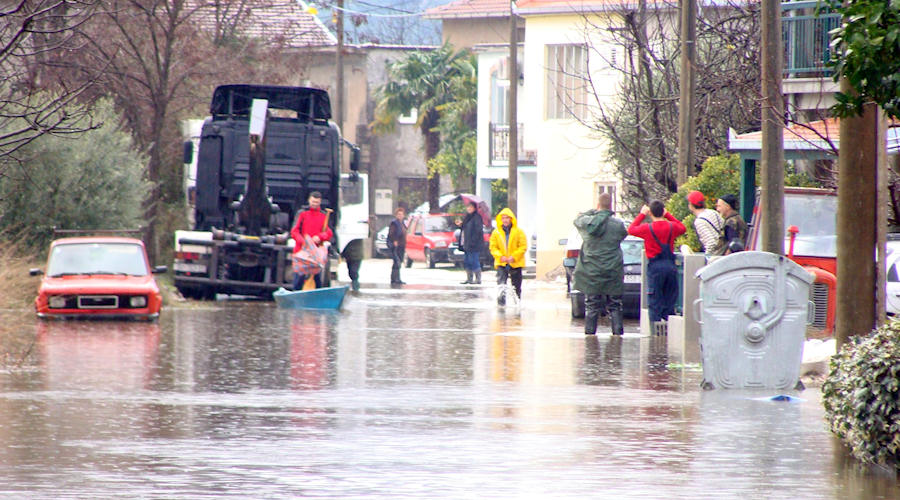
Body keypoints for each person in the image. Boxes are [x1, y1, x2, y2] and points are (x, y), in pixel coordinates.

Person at [573, 193, 628, 335]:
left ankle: (590, 338)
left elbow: (577, 219)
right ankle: (617, 338)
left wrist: (593, 212)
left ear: (598, 205)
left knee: (591, 306)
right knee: (615, 305)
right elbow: (623, 235)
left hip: (591, 271)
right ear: (611, 206)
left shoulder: (587, 223)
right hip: (612, 270)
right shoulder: (618, 225)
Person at [627, 200, 686, 327]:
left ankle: (655, 329)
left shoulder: (647, 228)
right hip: (670, 265)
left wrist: (642, 214)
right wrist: (668, 215)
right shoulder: (671, 227)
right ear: (663, 211)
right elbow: (683, 228)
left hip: (655, 266)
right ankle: (669, 328)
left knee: (655, 299)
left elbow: (631, 229)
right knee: (670, 298)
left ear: (650, 213)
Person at [290, 191, 333, 289]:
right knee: (298, 280)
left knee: (317, 280)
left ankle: (316, 296)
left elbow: (329, 233)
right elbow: (294, 231)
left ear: (320, 202)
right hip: (302, 251)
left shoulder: (323, 216)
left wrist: (320, 237)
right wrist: (304, 242)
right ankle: (296, 295)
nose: (314, 204)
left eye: (317, 202)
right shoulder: (302, 213)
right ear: (309, 200)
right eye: (313, 202)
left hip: (316, 253)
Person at [489, 207, 528, 305]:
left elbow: (523, 246)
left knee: (516, 286)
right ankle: (501, 305)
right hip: (501, 263)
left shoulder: (519, 232)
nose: (505, 220)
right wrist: (500, 256)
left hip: (515, 263)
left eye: (507, 218)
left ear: (511, 219)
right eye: (503, 218)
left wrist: (514, 257)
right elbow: (493, 247)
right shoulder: (496, 232)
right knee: (501, 286)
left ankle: (517, 303)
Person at [687, 190, 725, 255]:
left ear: (691, 205)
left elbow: (711, 243)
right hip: (724, 251)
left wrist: (707, 257)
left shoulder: (699, 221)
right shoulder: (713, 212)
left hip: (716, 256)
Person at [459, 201, 485, 284]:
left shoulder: (477, 217)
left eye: (471, 207)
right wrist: (461, 225)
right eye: (468, 207)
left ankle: (478, 279)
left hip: (474, 244)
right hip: (466, 243)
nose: (469, 208)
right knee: (467, 261)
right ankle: (469, 278)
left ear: (474, 208)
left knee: (474, 260)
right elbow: (465, 228)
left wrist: (473, 241)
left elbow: (478, 231)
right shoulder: (467, 217)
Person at [387, 206, 407, 285]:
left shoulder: (402, 223)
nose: (400, 216)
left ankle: (397, 278)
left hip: (402, 245)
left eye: (401, 214)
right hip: (396, 245)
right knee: (396, 262)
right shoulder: (394, 223)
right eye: (398, 214)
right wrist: (394, 241)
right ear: (396, 215)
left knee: (399, 262)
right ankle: (395, 279)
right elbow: (391, 233)